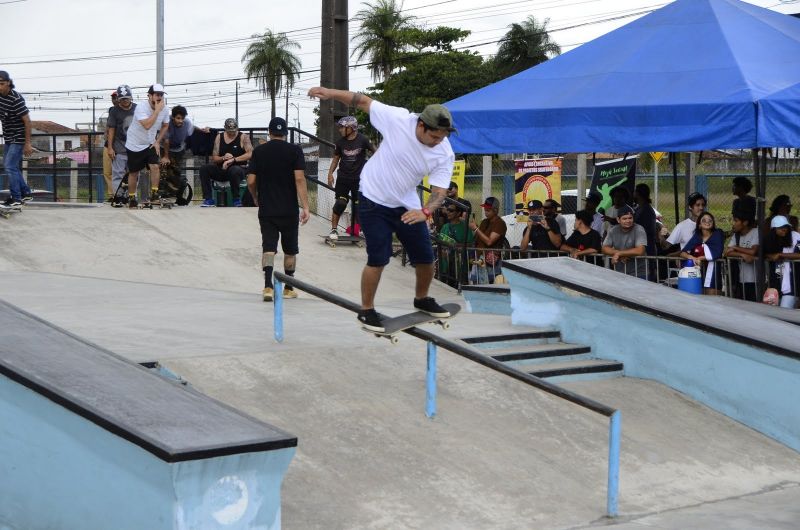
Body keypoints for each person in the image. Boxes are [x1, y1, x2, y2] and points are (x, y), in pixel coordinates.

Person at [308, 86, 455, 332]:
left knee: (426, 256)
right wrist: (330, 93)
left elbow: (439, 192)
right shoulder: (398, 119)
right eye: (435, 137)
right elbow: (362, 101)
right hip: (373, 199)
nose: (438, 142)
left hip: (407, 205)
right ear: (421, 126)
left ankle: (422, 298)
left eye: (442, 137)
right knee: (379, 257)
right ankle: (366, 310)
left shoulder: (444, 152)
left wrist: (426, 212)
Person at [247, 117, 310, 302]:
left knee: (268, 248)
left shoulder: (259, 152)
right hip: (289, 210)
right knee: (290, 250)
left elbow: (251, 181)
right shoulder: (295, 151)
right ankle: (289, 288)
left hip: (267, 210)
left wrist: (255, 196)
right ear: (286, 134)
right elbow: (299, 179)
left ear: (269, 132)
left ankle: (268, 286)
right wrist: (305, 206)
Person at [326, 115, 375, 239]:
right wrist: (330, 174)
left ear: (351, 128)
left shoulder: (363, 140)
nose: (340, 130)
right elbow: (336, 159)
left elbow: (377, 152)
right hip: (343, 178)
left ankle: (361, 230)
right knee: (341, 203)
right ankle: (333, 230)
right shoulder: (340, 143)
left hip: (359, 180)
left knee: (359, 205)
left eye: (342, 127)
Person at [124, 83, 170, 208]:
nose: (159, 97)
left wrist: (157, 141)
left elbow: (165, 125)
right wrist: (157, 111)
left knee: (155, 166)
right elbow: (147, 125)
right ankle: (132, 197)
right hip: (135, 144)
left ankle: (154, 194)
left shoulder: (165, 109)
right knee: (134, 172)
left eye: (161, 95)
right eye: (156, 95)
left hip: (150, 143)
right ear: (149, 96)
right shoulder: (141, 108)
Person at [200, 118, 253, 207]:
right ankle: (208, 199)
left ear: (237, 128)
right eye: (229, 131)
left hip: (238, 169)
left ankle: (236, 199)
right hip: (223, 168)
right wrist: (224, 158)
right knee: (204, 169)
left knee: (234, 170)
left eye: (233, 131)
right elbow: (215, 158)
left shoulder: (243, 137)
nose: (232, 133)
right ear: (225, 128)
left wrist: (233, 159)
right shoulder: (219, 137)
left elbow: (250, 154)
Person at [0, 70, 33, 207]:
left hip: (18, 138)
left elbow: (27, 121)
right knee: (11, 166)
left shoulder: (16, 99)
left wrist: (28, 143)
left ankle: (16, 198)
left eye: (1, 84)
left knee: (9, 166)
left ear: (8, 83)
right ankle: (26, 193)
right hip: (8, 137)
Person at [160, 105, 208, 198]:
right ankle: (161, 193)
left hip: (178, 149)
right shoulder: (167, 122)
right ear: (173, 117)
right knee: (164, 169)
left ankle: (173, 194)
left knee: (176, 171)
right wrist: (165, 156)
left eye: (182, 118)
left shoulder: (187, 122)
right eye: (178, 118)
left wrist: (201, 129)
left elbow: (193, 127)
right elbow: (166, 140)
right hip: (164, 148)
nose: (180, 121)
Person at [680, 212, 725, 295]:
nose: (707, 222)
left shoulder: (718, 234)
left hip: (713, 274)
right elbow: (683, 253)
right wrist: (692, 258)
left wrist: (700, 258)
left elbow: (717, 252)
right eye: (704, 220)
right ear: (699, 225)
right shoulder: (697, 236)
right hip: (698, 272)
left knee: (712, 300)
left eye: (710, 220)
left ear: (713, 223)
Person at [107, 84, 137, 206]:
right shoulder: (114, 111)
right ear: (119, 99)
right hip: (119, 147)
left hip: (135, 148)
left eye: (127, 98)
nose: (125, 101)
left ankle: (132, 196)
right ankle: (118, 197)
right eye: (122, 99)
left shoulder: (137, 109)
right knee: (118, 174)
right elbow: (111, 129)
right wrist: (110, 147)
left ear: (131, 98)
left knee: (134, 174)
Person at [763, 215, 800, 307]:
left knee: (785, 308)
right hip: (775, 281)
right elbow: (762, 253)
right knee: (774, 311)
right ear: (774, 229)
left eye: (785, 227)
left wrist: (781, 255)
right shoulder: (770, 239)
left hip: (792, 282)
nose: (784, 229)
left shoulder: (796, 237)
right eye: (780, 227)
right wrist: (770, 255)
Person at [602, 205, 648, 279]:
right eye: (624, 219)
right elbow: (604, 248)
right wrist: (619, 254)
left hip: (639, 273)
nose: (628, 221)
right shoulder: (613, 230)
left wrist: (619, 253)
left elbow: (640, 250)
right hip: (620, 272)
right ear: (618, 220)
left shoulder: (639, 229)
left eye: (630, 218)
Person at [469, 196, 508, 283]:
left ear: (496, 210)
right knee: (476, 282)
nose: (486, 211)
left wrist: (476, 229)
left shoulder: (500, 223)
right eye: (485, 209)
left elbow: (489, 241)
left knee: (490, 283)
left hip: (491, 260)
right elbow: (478, 239)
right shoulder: (484, 222)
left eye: (488, 210)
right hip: (479, 258)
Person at [724, 211, 760, 302]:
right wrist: (742, 254)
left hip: (755, 279)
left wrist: (736, 247)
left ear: (745, 222)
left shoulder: (755, 232)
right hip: (741, 278)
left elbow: (753, 251)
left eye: (736, 221)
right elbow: (727, 252)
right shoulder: (736, 236)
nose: (733, 224)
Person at [437, 199, 474, 286]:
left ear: (458, 213)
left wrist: (455, 246)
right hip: (444, 267)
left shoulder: (465, 228)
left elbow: (470, 244)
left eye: (451, 210)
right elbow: (440, 242)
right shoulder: (445, 227)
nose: (448, 212)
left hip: (458, 268)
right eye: (447, 210)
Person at [633, 183, 658, 257]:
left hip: (646, 249)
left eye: (634, 192)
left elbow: (644, 230)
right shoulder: (639, 209)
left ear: (638, 193)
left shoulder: (646, 211)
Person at [102, 90, 118, 201]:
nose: (115, 100)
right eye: (113, 98)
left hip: (121, 146)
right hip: (108, 145)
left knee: (121, 171)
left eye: (116, 97)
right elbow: (108, 127)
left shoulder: (128, 111)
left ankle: (121, 194)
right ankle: (112, 195)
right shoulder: (111, 110)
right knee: (107, 172)